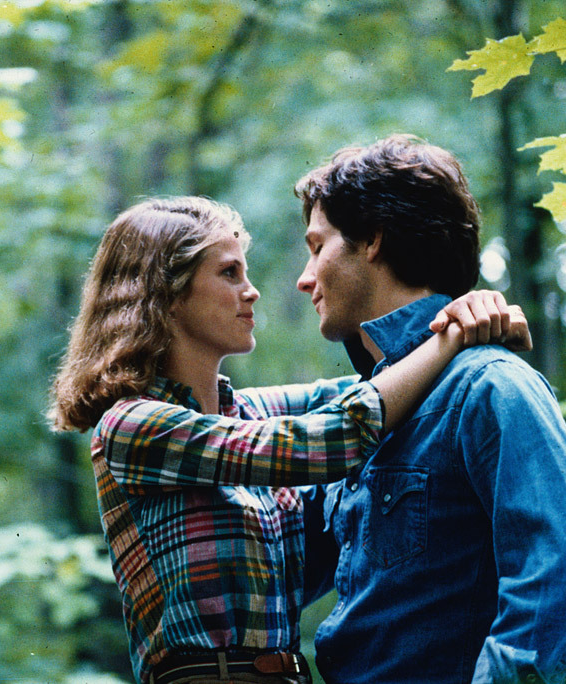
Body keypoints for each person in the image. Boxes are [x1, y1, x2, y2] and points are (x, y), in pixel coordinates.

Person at [49, 196, 531, 684]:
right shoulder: (131, 427)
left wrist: (470, 313)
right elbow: (334, 436)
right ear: (167, 292)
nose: (252, 291)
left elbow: (376, 384)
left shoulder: (250, 414)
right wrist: (451, 337)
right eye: (230, 273)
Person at [294, 135, 566, 684]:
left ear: (371, 238)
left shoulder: (489, 386)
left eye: (317, 247)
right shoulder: (358, 420)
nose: (305, 277)